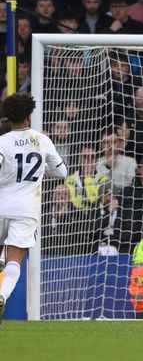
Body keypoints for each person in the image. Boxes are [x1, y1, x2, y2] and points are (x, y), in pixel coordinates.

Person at [0, 93, 68, 323]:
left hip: (1, 204)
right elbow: (62, 173)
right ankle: (2, 295)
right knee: (14, 260)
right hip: (27, 209)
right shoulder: (42, 140)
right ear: (29, 116)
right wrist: (41, 174)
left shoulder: (3, 142)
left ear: (8, 118)